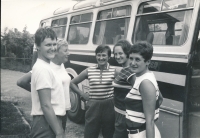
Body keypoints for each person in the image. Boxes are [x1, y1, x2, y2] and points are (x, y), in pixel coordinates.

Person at [17, 28, 66, 138]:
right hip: (46, 122)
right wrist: (59, 132)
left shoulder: (44, 66)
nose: (53, 48)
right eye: (48, 45)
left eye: (54, 44)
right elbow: (46, 105)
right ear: (38, 46)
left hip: (48, 120)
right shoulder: (43, 69)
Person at [70, 45, 115, 138]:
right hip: (93, 106)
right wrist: (82, 94)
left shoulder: (114, 71)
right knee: (90, 133)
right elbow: (72, 83)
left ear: (109, 57)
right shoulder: (89, 70)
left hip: (109, 106)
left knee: (109, 132)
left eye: (104, 55)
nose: (101, 58)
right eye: (98, 55)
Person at [125, 41, 161, 138]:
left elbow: (150, 121)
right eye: (131, 58)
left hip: (142, 134)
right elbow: (160, 99)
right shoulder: (141, 77)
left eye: (137, 59)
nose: (132, 63)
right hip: (137, 132)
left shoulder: (145, 83)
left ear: (148, 62)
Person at [112, 40, 135, 138]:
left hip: (125, 116)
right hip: (120, 114)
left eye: (120, 53)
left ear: (128, 53)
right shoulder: (124, 70)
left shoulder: (131, 71)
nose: (117, 57)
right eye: (115, 54)